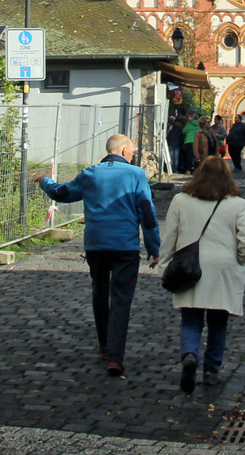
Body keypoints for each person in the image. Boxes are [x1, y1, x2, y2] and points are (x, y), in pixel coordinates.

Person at [37, 134, 160, 377]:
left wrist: (45, 181)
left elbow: (61, 193)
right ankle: (115, 355)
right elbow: (146, 211)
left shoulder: (90, 174)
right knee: (121, 300)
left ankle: (104, 345)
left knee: (100, 292)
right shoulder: (135, 175)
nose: (133, 155)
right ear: (124, 151)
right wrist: (154, 247)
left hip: (96, 245)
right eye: (133, 152)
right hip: (125, 246)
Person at [157, 156, 245, 393]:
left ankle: (190, 355)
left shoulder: (180, 200)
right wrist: (241, 258)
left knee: (191, 320)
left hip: (189, 267)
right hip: (223, 269)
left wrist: (164, 266)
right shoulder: (236, 204)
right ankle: (211, 371)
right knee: (218, 321)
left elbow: (169, 236)